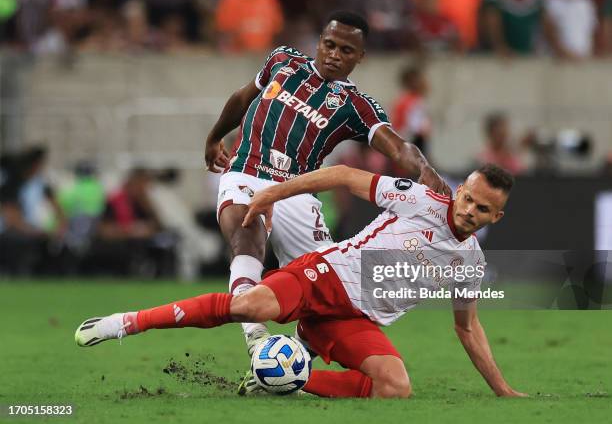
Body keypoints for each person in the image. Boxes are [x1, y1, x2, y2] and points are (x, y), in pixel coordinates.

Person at [75, 163, 526, 399]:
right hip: (325, 277)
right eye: (468, 198)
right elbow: (347, 176)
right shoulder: (421, 201)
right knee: (250, 306)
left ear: (496, 216)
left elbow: (467, 328)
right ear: (460, 190)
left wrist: (501, 389)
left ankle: (282, 377)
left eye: (482, 209)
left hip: (355, 321)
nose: (469, 211)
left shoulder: (470, 261)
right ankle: (126, 322)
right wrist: (274, 191)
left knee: (395, 387)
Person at [204, 10, 450, 359]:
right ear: (320, 42)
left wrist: (422, 167)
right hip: (246, 172)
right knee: (247, 238)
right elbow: (243, 98)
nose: (335, 54)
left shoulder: (357, 107)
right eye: (330, 45)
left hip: (298, 192)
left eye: (346, 50)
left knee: (330, 293)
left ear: (360, 57)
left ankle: (288, 365)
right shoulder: (283, 60)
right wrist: (214, 137)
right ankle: (257, 341)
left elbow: (396, 145)